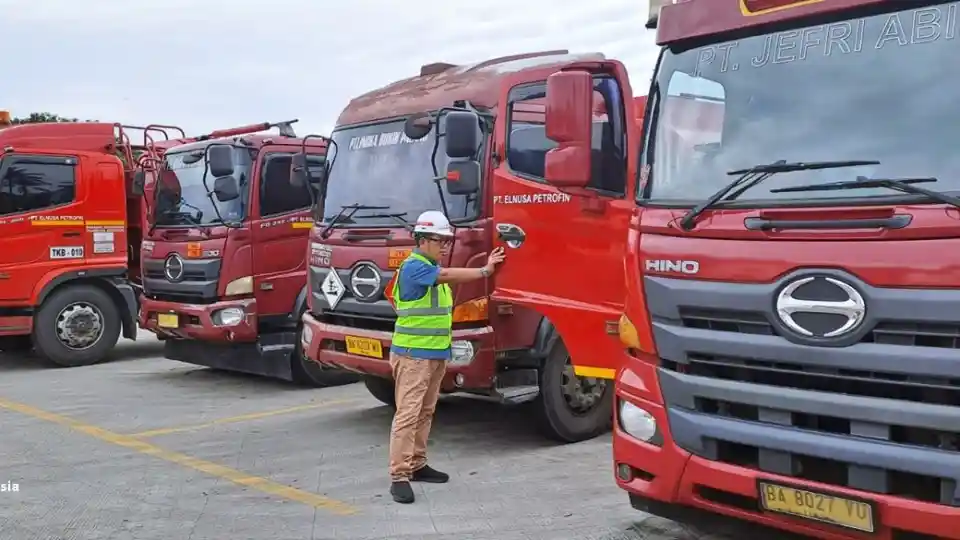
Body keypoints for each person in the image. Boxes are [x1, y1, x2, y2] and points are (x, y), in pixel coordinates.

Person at [387, 210, 506, 504]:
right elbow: (447, 275)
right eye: (440, 241)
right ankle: (399, 476)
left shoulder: (428, 266)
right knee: (408, 414)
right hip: (414, 355)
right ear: (424, 239)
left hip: (435, 353)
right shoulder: (416, 267)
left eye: (447, 241)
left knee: (425, 412)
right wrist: (485, 271)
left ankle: (417, 464)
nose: (445, 246)